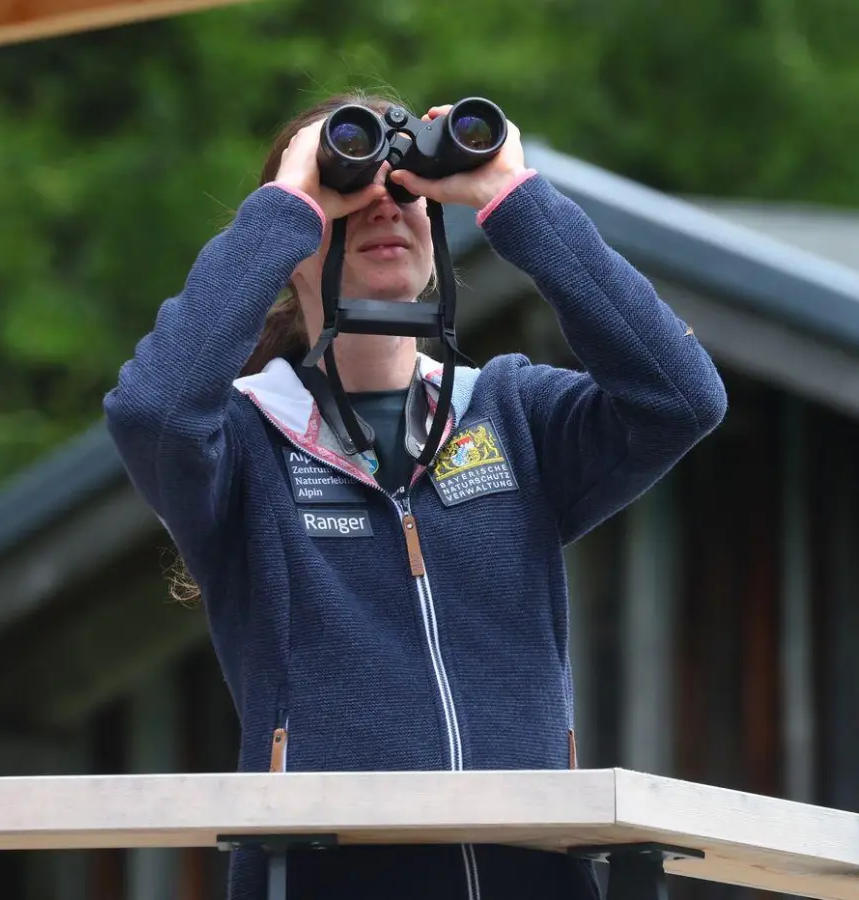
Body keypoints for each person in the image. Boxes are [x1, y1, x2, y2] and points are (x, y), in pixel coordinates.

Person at [103, 90, 728, 900]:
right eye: (347, 193)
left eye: (408, 193)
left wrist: (516, 201)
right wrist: (286, 205)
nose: (383, 207)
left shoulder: (513, 416)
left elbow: (682, 398)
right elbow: (152, 410)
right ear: (290, 245)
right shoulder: (245, 444)